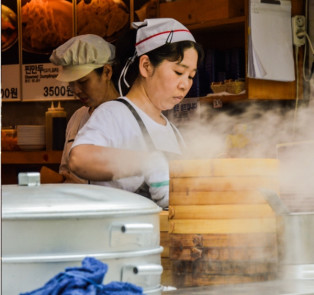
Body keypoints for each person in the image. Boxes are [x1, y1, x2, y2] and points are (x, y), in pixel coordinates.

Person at [68, 18, 204, 207]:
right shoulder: (114, 114)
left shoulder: (172, 131)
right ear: (146, 66)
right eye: (178, 72)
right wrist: (146, 162)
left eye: (191, 76)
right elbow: (79, 158)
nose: (185, 85)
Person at [49, 34, 119, 183]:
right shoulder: (77, 117)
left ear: (107, 72)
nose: (76, 90)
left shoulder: (128, 117)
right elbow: (65, 172)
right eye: (71, 84)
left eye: (83, 81)